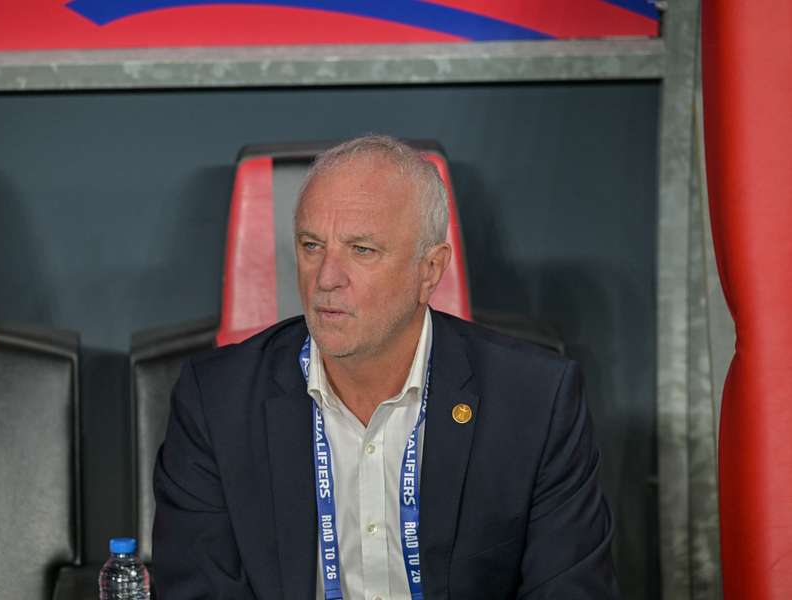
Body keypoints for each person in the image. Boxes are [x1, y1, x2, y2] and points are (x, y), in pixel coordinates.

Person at [152, 135, 619, 599]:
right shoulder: (217, 402)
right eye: (312, 245)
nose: (326, 278)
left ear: (429, 271)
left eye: (362, 250)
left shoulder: (534, 402)